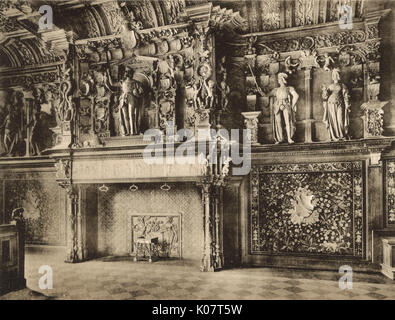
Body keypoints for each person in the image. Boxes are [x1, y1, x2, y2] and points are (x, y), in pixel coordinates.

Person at [267, 73, 299, 144]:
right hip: (277, 105)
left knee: (288, 121)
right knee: (278, 122)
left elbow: (296, 95)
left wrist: (293, 105)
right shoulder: (276, 90)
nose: (278, 80)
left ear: (282, 79)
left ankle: (289, 138)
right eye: (278, 79)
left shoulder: (289, 88)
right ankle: (280, 138)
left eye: (279, 79)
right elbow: (267, 95)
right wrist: (261, 92)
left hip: (286, 104)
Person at [322, 68, 350, 141]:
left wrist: (347, 105)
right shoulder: (330, 86)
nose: (335, 76)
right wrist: (324, 90)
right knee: (333, 120)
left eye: (336, 74)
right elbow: (325, 97)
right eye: (333, 74)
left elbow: (346, 96)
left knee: (340, 119)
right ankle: (334, 136)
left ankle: (341, 135)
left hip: (340, 104)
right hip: (330, 104)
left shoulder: (343, 85)